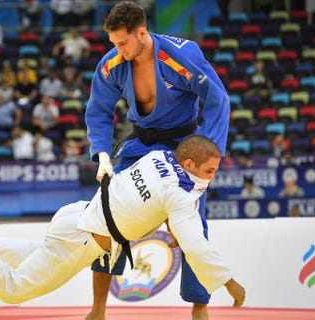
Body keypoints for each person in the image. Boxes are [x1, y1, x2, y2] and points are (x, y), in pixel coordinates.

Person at [0, 135, 245, 309]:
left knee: (40, 252)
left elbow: (152, 200)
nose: (211, 179)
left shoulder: (156, 157)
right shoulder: (183, 196)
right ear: (189, 163)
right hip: (85, 239)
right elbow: (195, 245)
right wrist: (228, 282)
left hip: (75, 213)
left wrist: (172, 225)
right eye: (210, 171)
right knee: (14, 290)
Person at [84, 2, 230, 320]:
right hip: (140, 143)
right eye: (113, 43)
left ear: (141, 32)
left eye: (123, 42)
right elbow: (98, 110)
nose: (118, 50)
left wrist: (210, 153)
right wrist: (103, 154)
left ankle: (199, 306)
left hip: (182, 145)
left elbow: (218, 98)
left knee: (192, 223)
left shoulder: (181, 55)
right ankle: (98, 309)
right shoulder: (113, 64)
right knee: (105, 216)